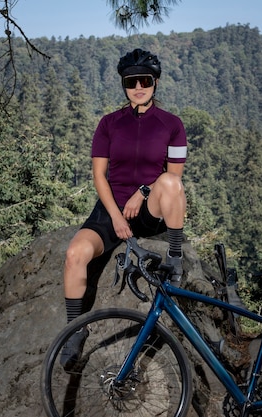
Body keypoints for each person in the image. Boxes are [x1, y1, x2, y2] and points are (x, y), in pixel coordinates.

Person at [60, 48, 188, 370]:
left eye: (145, 80)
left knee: (170, 186)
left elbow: (173, 178)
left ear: (155, 82)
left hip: (149, 208)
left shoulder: (172, 125)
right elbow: (98, 176)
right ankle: (74, 331)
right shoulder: (108, 124)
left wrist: (143, 192)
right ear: (124, 85)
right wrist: (115, 217)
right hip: (109, 210)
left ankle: (175, 259)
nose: (138, 87)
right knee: (75, 254)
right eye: (132, 82)